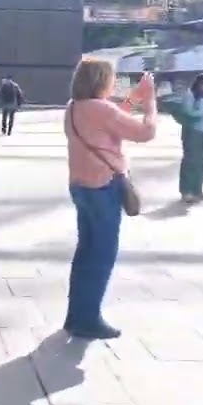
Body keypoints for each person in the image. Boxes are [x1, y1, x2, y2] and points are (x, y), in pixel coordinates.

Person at [64, 59, 158, 339]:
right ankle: (88, 319)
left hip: (81, 186)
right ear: (100, 80)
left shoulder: (73, 107)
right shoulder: (100, 109)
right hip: (103, 187)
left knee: (86, 252)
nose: (113, 82)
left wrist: (134, 98)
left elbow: (113, 118)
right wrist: (150, 104)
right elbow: (145, 132)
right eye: (111, 78)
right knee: (102, 255)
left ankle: (76, 316)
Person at [178, 74, 203, 204]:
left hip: (202, 133)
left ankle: (198, 190)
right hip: (191, 132)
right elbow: (188, 112)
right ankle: (186, 192)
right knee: (190, 162)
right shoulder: (190, 95)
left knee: (201, 163)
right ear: (197, 84)